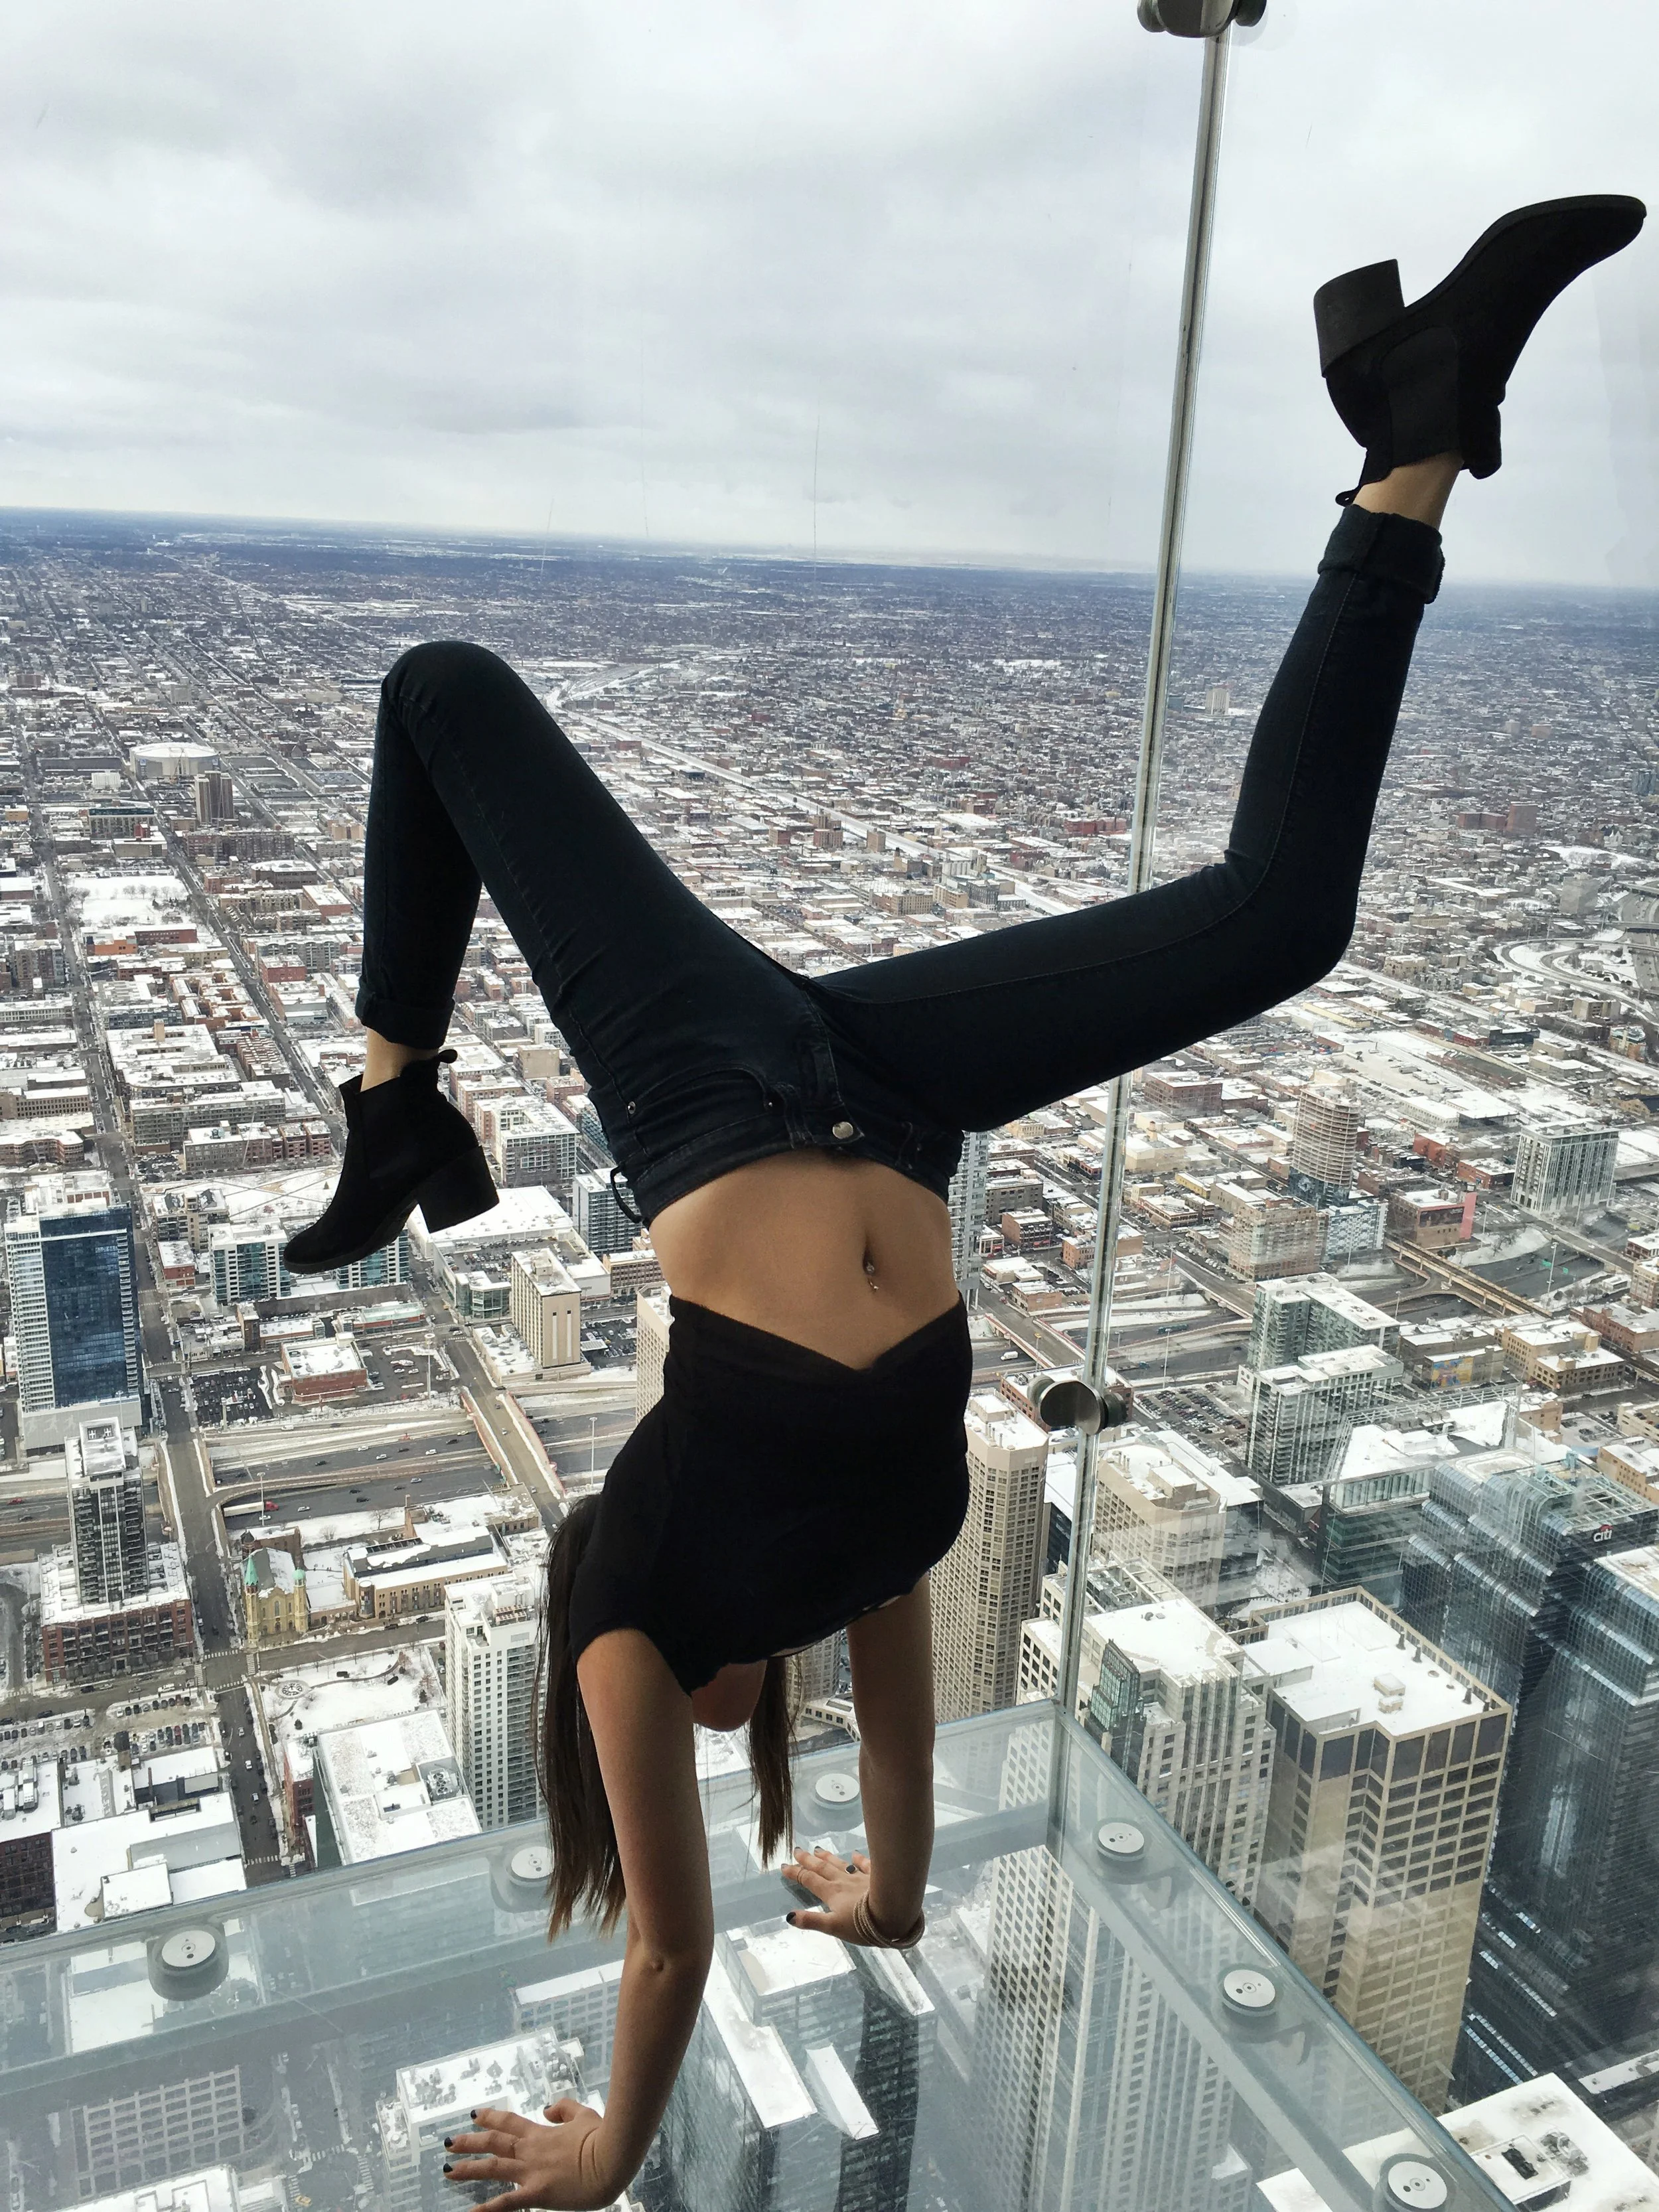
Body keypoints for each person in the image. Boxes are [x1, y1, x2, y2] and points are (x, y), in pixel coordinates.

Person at [281, 194, 1643, 2210]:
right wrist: (893, 1895)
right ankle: (1409, 438)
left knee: (440, 687)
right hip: (891, 1091)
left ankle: (394, 1094)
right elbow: (898, 1750)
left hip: (705, 1096)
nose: (758, 1725)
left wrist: (607, 2147)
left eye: (694, 1756)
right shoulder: (866, 1555)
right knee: (1283, 921)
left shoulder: (625, 1632)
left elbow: (666, 1942)